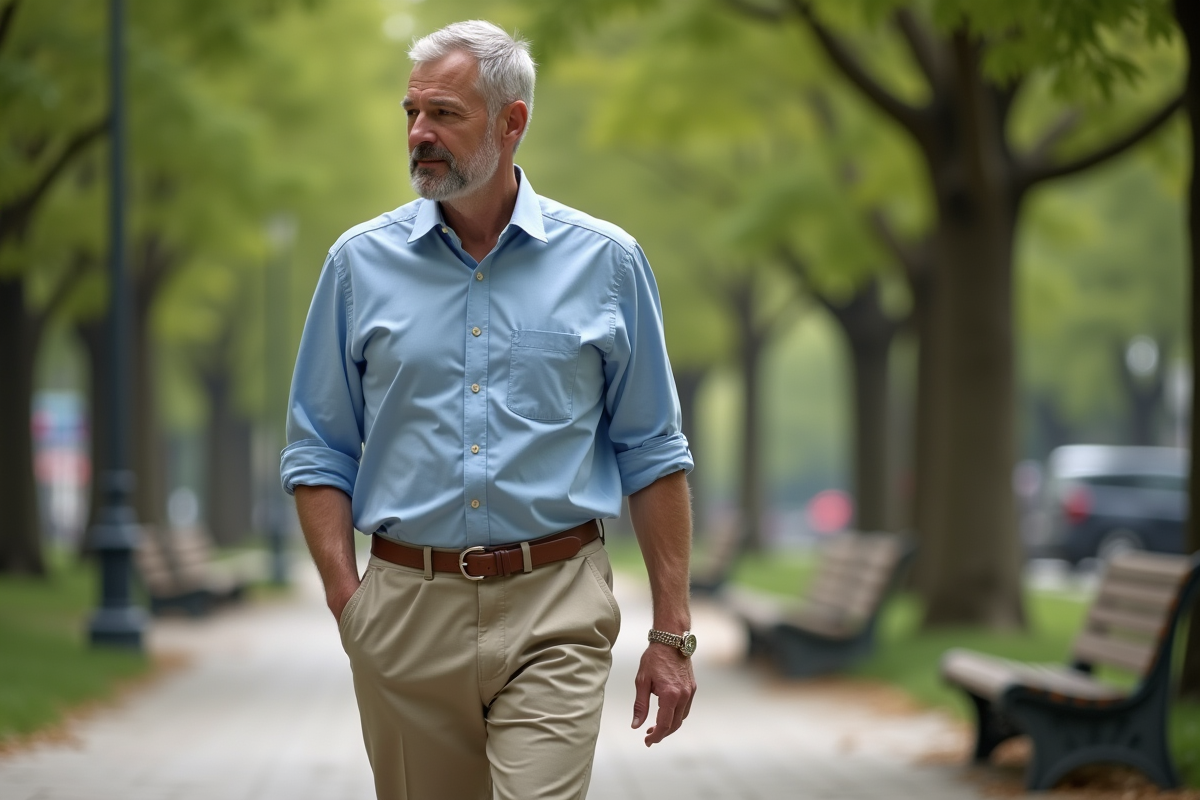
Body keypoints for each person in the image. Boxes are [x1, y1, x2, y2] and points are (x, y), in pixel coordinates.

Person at [280, 19, 696, 800]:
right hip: (405, 612)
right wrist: (350, 607)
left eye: (444, 114)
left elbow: (653, 450)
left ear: (513, 122)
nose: (419, 133)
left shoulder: (607, 263)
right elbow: (319, 450)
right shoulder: (356, 266)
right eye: (411, 113)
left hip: (556, 606)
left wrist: (670, 634)